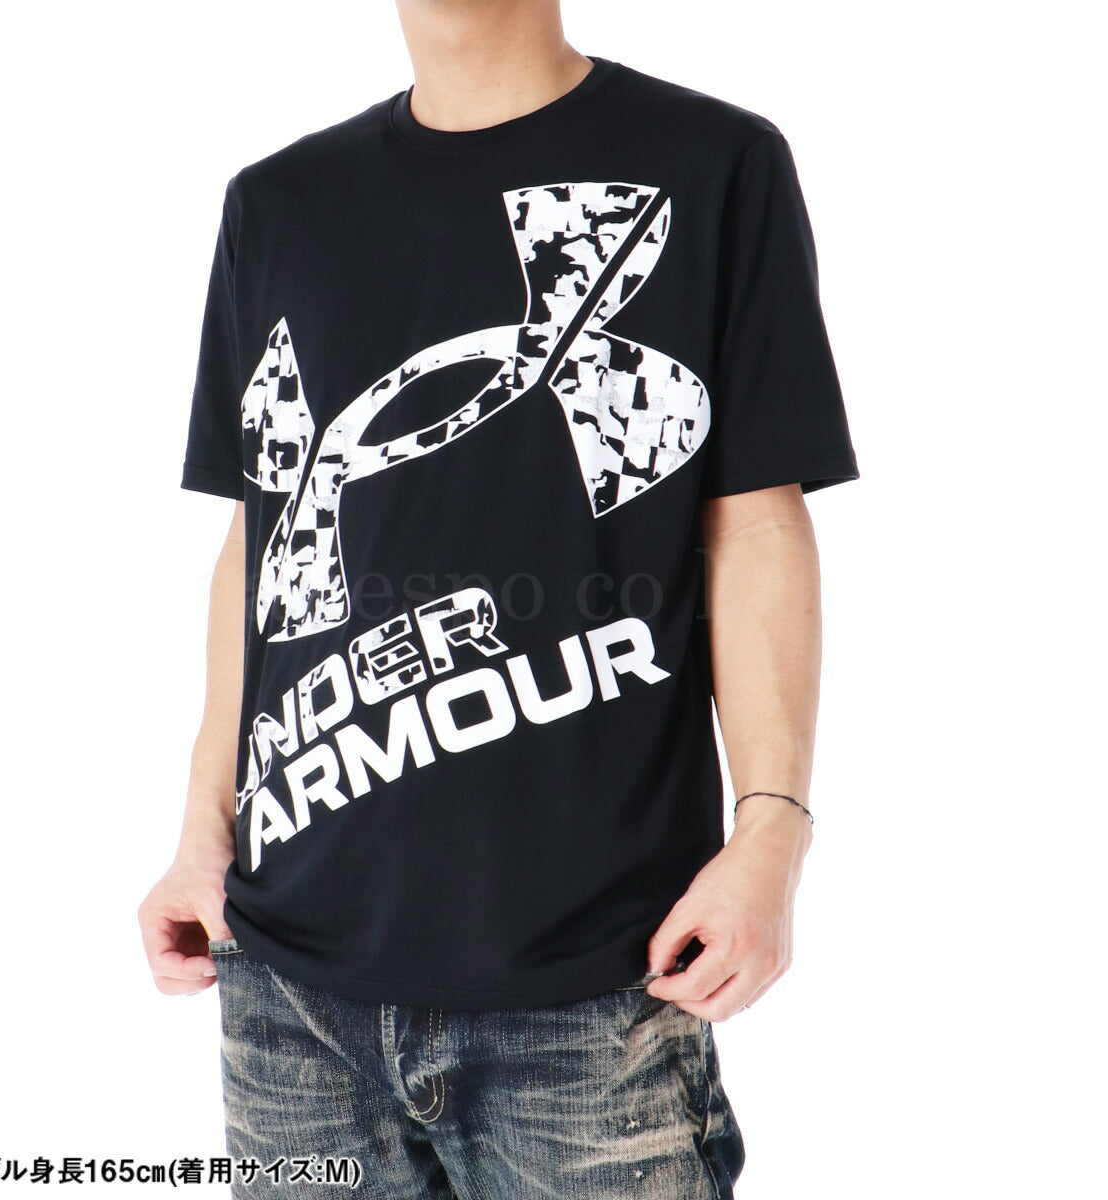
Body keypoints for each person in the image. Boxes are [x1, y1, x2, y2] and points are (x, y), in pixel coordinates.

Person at [138, 1, 858, 1195]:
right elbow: (259, 537)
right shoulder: (279, 202)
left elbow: (754, 518)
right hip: (287, 994)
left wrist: (771, 830)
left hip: (588, 990)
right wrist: (199, 836)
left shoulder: (709, 163)